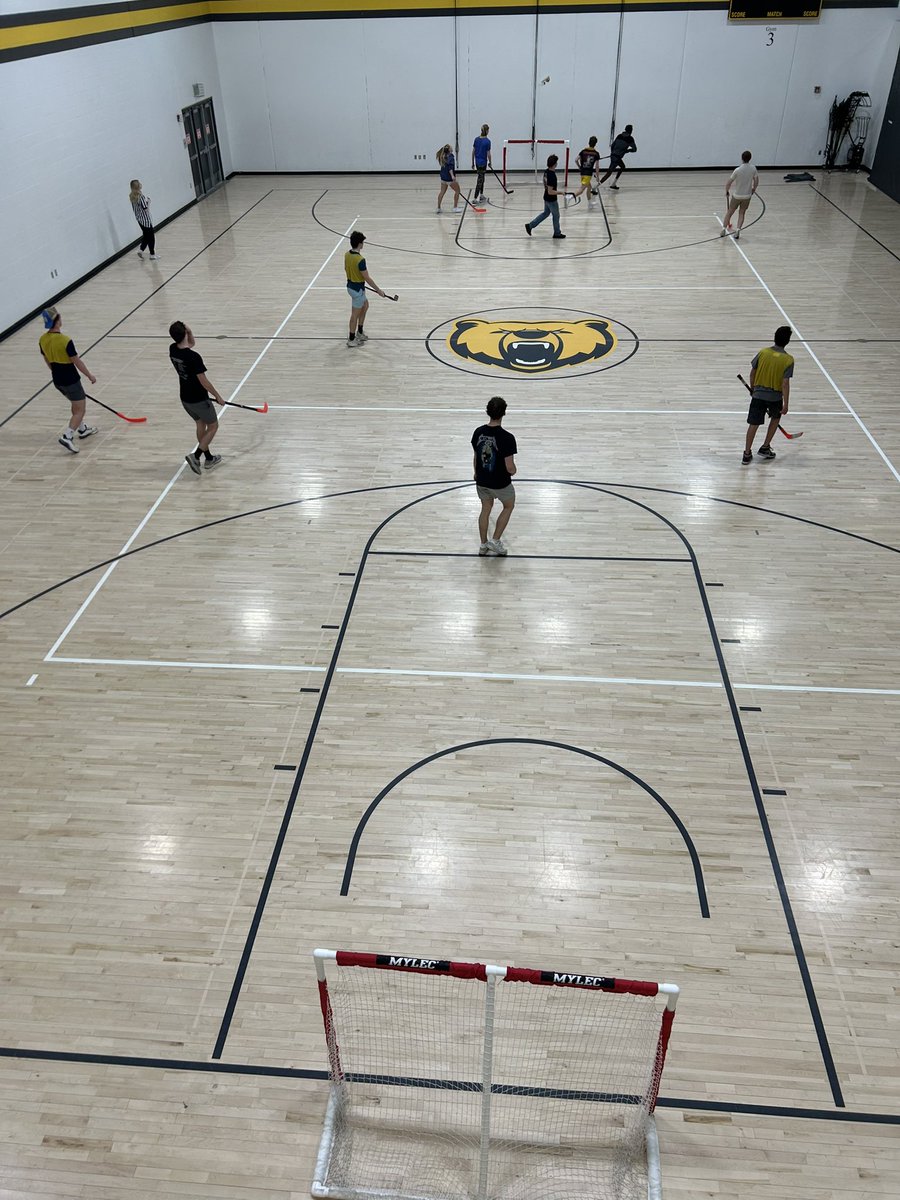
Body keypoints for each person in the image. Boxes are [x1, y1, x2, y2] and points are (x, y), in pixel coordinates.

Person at [39, 306, 98, 454]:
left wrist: (55, 372)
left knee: (75, 404)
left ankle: (82, 429)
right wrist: (89, 375)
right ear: (57, 320)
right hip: (71, 380)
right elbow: (77, 361)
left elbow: (47, 359)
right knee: (80, 409)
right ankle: (68, 435)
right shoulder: (65, 340)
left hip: (57, 380)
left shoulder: (42, 339)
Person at [168, 320, 225, 474]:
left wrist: (189, 333)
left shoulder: (173, 349)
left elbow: (190, 344)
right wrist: (217, 396)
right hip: (199, 399)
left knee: (201, 425)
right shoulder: (194, 357)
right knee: (213, 426)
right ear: (185, 333)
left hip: (185, 398)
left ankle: (209, 458)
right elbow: (204, 381)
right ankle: (196, 456)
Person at [472, 396, 518, 556]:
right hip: (500, 483)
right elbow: (510, 467)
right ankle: (495, 540)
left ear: (488, 412)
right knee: (509, 505)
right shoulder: (507, 437)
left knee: (485, 509)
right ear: (504, 413)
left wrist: (476, 473)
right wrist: (514, 470)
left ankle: (483, 545)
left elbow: (476, 457)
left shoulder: (478, 432)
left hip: (482, 480)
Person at [743, 326, 793, 464]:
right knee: (775, 418)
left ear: (774, 337)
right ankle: (765, 447)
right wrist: (786, 404)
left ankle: (746, 454)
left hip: (758, 395)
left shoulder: (763, 352)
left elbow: (752, 373)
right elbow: (785, 384)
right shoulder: (788, 360)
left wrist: (753, 389)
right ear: (787, 341)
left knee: (753, 423)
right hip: (775, 397)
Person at [344, 230, 385, 348]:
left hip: (352, 286)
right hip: (357, 290)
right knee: (354, 315)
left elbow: (346, 268)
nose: (363, 244)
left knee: (365, 305)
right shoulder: (360, 260)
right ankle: (351, 339)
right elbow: (367, 277)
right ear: (359, 244)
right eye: (362, 242)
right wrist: (379, 290)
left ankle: (360, 332)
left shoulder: (347, 254)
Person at [720, 151, 759, 241]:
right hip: (747, 196)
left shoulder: (737, 170)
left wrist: (727, 191)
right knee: (742, 213)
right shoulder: (753, 169)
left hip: (737, 196)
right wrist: (754, 189)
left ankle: (723, 229)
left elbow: (729, 182)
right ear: (750, 158)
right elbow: (756, 180)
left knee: (729, 213)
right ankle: (738, 230)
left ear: (742, 158)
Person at [525, 155, 565, 239]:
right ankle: (557, 233)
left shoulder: (546, 172)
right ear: (554, 164)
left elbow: (546, 187)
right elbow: (551, 191)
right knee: (556, 216)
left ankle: (530, 225)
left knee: (546, 213)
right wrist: (561, 192)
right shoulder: (552, 176)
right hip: (551, 200)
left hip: (546, 197)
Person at [599, 125, 637, 190]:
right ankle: (595, 187)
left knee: (622, 166)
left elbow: (612, 146)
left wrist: (613, 153)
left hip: (613, 156)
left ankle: (614, 184)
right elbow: (634, 149)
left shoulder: (619, 136)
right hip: (617, 158)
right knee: (609, 173)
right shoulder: (630, 139)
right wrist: (627, 150)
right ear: (631, 131)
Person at [570, 136, 602, 209]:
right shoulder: (596, 153)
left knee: (589, 187)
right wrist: (597, 177)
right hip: (588, 174)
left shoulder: (583, 151)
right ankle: (570, 197)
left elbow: (576, 160)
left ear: (589, 142)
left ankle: (590, 203)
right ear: (595, 144)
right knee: (581, 190)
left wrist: (579, 167)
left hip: (582, 172)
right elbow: (597, 167)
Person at [129, 179, 159, 260]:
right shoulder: (141, 196)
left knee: (146, 235)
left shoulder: (131, 196)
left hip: (139, 220)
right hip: (146, 220)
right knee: (151, 237)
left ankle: (141, 250)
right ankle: (152, 254)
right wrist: (149, 202)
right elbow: (145, 208)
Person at [436, 144, 462, 214]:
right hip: (449, 178)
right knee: (457, 190)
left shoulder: (443, 156)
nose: (452, 147)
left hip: (443, 178)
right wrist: (453, 176)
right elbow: (450, 168)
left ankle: (438, 208)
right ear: (449, 150)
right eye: (451, 147)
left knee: (442, 192)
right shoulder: (451, 157)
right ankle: (455, 207)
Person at [471, 125, 492, 203]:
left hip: (477, 162)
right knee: (480, 180)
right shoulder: (487, 141)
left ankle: (481, 195)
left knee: (482, 178)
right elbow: (488, 154)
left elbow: (473, 152)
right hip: (482, 163)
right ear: (486, 131)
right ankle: (475, 197)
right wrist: (490, 162)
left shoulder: (476, 139)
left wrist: (472, 162)